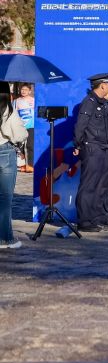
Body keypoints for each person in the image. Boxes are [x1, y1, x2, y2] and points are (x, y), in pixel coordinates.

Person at [73, 73, 108, 232]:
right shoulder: (89, 103)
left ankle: (100, 216)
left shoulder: (105, 104)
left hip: (105, 149)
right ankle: (85, 221)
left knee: (103, 186)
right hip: (92, 148)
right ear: (103, 86)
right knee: (89, 186)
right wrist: (77, 145)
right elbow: (80, 126)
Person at [0, 83, 28, 249]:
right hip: (4, 153)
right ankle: (5, 238)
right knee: (4, 198)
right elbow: (19, 135)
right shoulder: (8, 111)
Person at [14, 84, 34, 173]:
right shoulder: (16, 101)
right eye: (22, 89)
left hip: (31, 126)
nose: (23, 91)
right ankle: (22, 165)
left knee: (30, 145)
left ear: (30, 91)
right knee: (20, 146)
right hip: (20, 126)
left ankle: (30, 165)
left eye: (26, 89)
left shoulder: (34, 100)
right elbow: (14, 113)